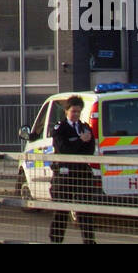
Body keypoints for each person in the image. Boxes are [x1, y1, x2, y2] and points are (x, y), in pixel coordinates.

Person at [49, 95, 98, 244]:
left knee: (85, 211)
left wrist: (78, 145)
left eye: (78, 111)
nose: (76, 114)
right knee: (61, 211)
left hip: (82, 174)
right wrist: (79, 141)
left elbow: (90, 150)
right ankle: (56, 241)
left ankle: (89, 241)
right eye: (73, 111)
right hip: (65, 175)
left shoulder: (85, 127)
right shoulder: (60, 128)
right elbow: (63, 149)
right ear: (66, 111)